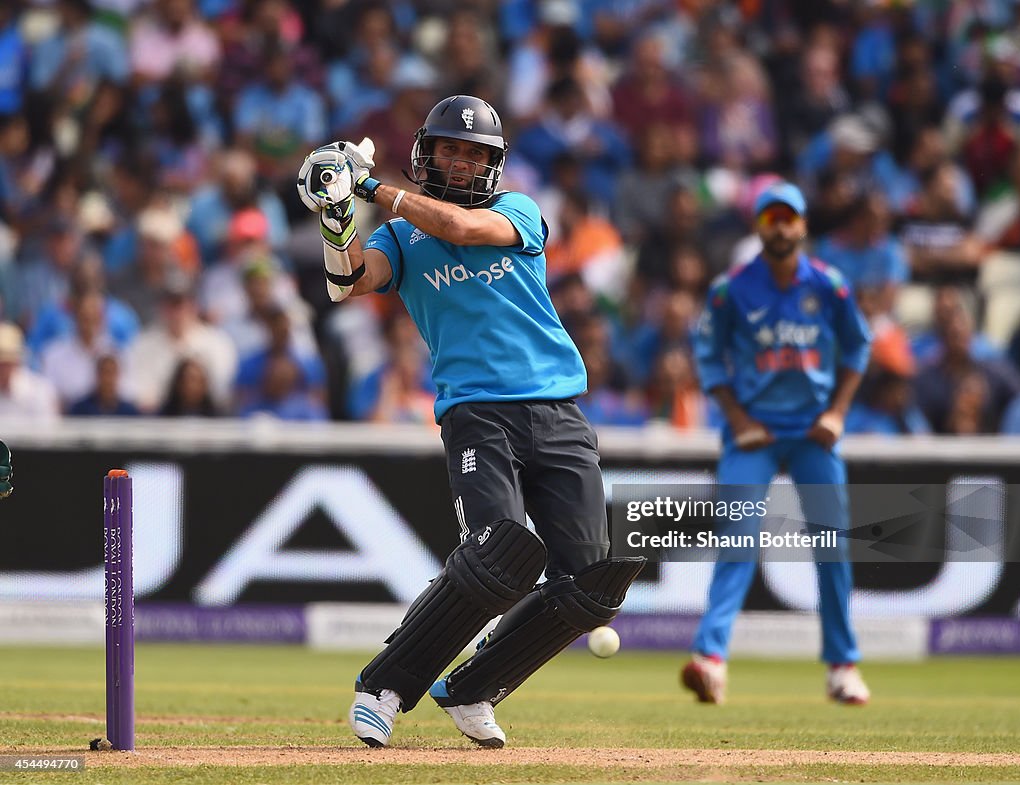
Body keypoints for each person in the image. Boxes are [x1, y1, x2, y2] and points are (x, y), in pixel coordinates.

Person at [296, 95, 645, 748]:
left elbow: (460, 229)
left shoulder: (518, 210)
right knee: (499, 557)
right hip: (476, 413)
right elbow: (347, 282)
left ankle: (474, 687)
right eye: (450, 150)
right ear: (428, 154)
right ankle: (386, 686)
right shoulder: (398, 236)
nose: (460, 162)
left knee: (594, 582)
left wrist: (370, 184)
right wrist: (337, 212)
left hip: (558, 410)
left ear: (494, 164)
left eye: (474, 153)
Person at [684, 182, 872, 706]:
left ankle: (842, 667)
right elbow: (707, 357)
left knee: (833, 547)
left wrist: (836, 414)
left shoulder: (831, 286)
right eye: (772, 219)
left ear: (804, 225)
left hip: (814, 430)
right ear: (759, 227)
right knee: (738, 542)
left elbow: (859, 348)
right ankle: (710, 660)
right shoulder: (732, 289)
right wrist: (738, 419)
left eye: (790, 219)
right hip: (755, 433)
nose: (782, 228)